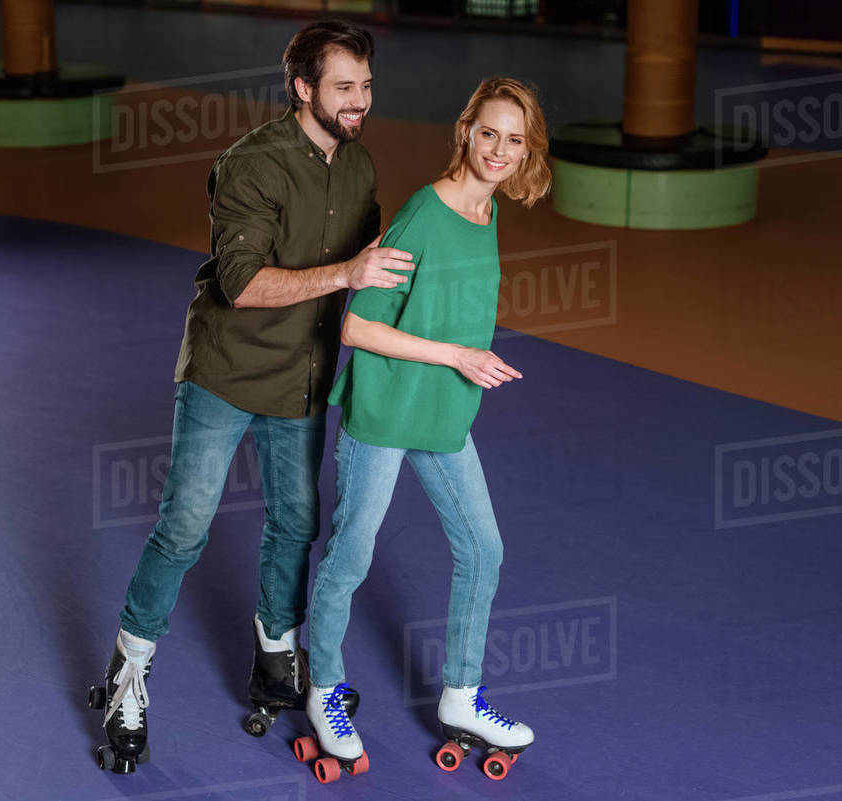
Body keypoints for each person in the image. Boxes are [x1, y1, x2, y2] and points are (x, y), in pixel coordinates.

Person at [89, 21, 415, 774]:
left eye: (365, 85)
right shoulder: (251, 166)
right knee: (185, 526)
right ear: (303, 88)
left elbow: (370, 273)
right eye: (344, 87)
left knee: (297, 521)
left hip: (302, 374)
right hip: (226, 369)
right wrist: (345, 275)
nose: (360, 100)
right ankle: (128, 672)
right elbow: (241, 285)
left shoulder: (360, 165)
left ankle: (276, 659)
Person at [300, 77, 551, 778]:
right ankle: (324, 690)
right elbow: (357, 324)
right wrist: (458, 356)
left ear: (527, 150)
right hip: (384, 412)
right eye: (489, 133)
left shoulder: (486, 211)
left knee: (484, 549)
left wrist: (460, 364)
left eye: (515, 139)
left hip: (442, 415)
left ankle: (463, 694)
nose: (499, 150)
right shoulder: (425, 213)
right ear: (466, 130)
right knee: (352, 553)